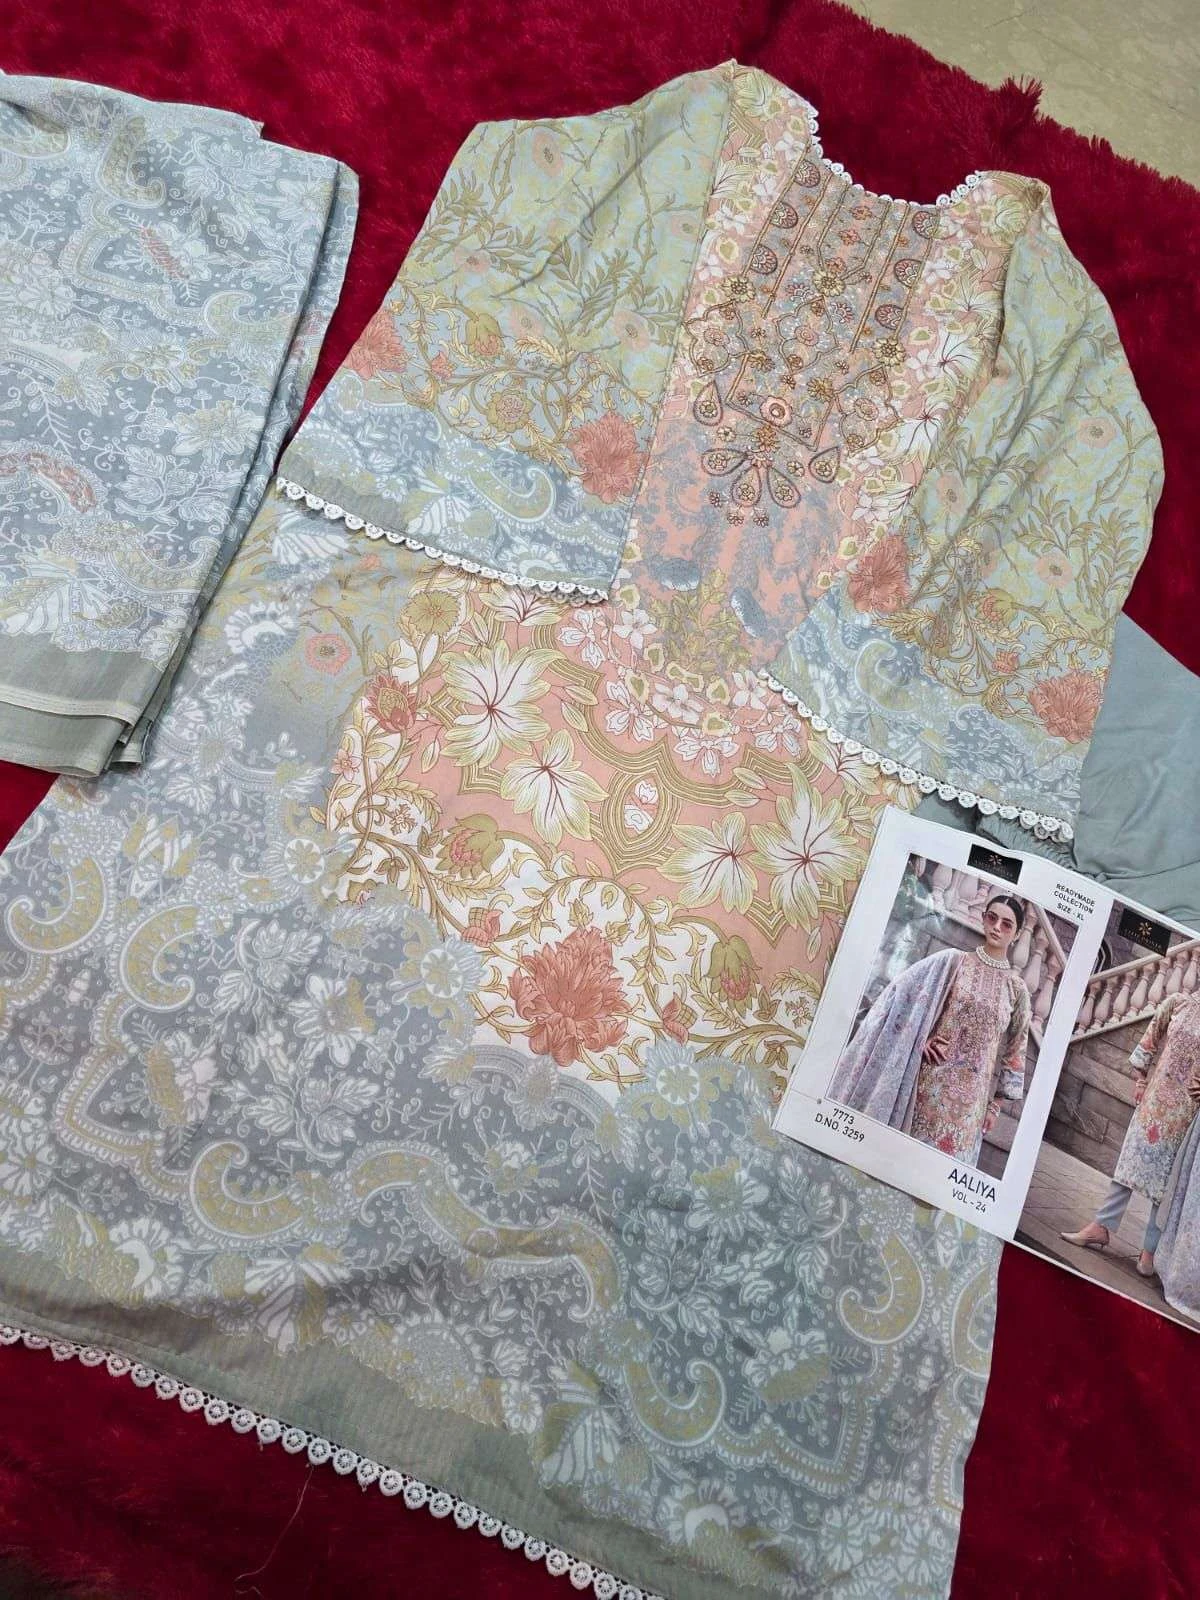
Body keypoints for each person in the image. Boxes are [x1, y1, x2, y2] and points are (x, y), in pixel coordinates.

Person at [830, 893, 1032, 1164]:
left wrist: (995, 1106)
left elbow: (1016, 1052)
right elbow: (904, 996)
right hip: (930, 1084)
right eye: (992, 918)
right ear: (983, 919)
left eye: (1006, 924)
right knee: (901, 1162)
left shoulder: (1017, 990)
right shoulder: (955, 961)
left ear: (1016, 934)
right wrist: (919, 1038)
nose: (997, 927)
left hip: (972, 1104)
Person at [1062, 990, 1200, 1277]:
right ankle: (1101, 1226)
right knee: (1129, 1163)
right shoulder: (1178, 1003)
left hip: (1186, 1114)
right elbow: (1150, 1039)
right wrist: (1140, 1080)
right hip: (1155, 1099)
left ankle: (1150, 1250)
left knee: (1167, 1183)